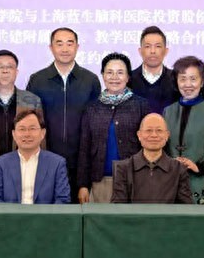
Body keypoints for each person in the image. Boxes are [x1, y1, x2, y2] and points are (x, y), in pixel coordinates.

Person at [26, 27, 101, 202]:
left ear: (77, 47)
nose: (65, 49)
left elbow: (96, 125)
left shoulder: (90, 80)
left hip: (81, 162)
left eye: (70, 43)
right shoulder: (37, 80)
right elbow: (30, 121)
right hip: (44, 161)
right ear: (51, 48)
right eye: (59, 44)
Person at [77, 53, 149, 203]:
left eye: (120, 72)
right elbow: (84, 148)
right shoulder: (92, 108)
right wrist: (83, 185)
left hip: (134, 180)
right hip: (100, 181)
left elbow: (149, 145)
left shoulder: (141, 106)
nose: (114, 77)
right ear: (103, 75)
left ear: (128, 77)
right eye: (109, 72)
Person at [0, 49, 43, 201]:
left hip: (24, 177)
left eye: (9, 67)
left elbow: (41, 142)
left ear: (16, 72)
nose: (5, 71)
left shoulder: (32, 101)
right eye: (0, 67)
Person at [163, 56, 204, 205]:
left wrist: (199, 166)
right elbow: (162, 144)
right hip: (171, 179)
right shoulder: (168, 111)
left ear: (202, 81)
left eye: (193, 79)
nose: (188, 84)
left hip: (202, 178)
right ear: (176, 82)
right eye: (182, 79)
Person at [0, 110, 71, 204]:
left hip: (45, 214)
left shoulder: (57, 164)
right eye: (22, 129)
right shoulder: (1, 164)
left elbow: (62, 200)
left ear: (43, 133)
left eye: (32, 128)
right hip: (10, 214)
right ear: (14, 134)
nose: (27, 134)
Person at [111, 113, 192, 204]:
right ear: (139, 135)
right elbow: (118, 208)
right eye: (148, 130)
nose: (154, 135)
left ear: (167, 135)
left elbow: (186, 208)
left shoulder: (179, 169)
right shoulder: (123, 169)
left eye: (159, 130)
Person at [127, 26, 179, 114]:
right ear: (140, 51)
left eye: (158, 46)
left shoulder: (176, 80)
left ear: (166, 51)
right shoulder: (128, 80)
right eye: (148, 46)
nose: (153, 51)